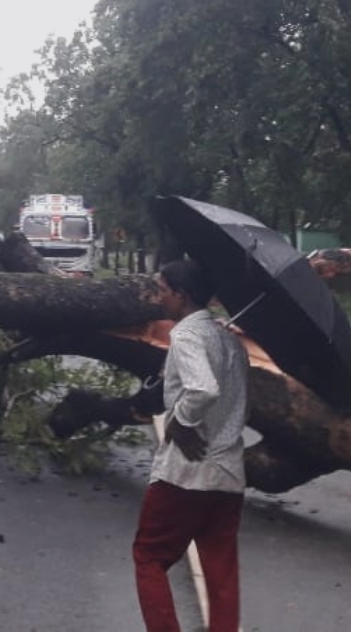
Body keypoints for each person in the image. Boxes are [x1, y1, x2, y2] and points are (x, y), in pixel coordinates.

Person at [133, 259, 250, 632]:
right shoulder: (228, 339)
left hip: (186, 472)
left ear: (182, 296)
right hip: (228, 471)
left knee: (149, 555)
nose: (159, 297)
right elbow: (237, 400)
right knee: (221, 571)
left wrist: (180, 420)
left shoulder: (186, 335)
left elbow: (203, 389)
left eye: (163, 290)